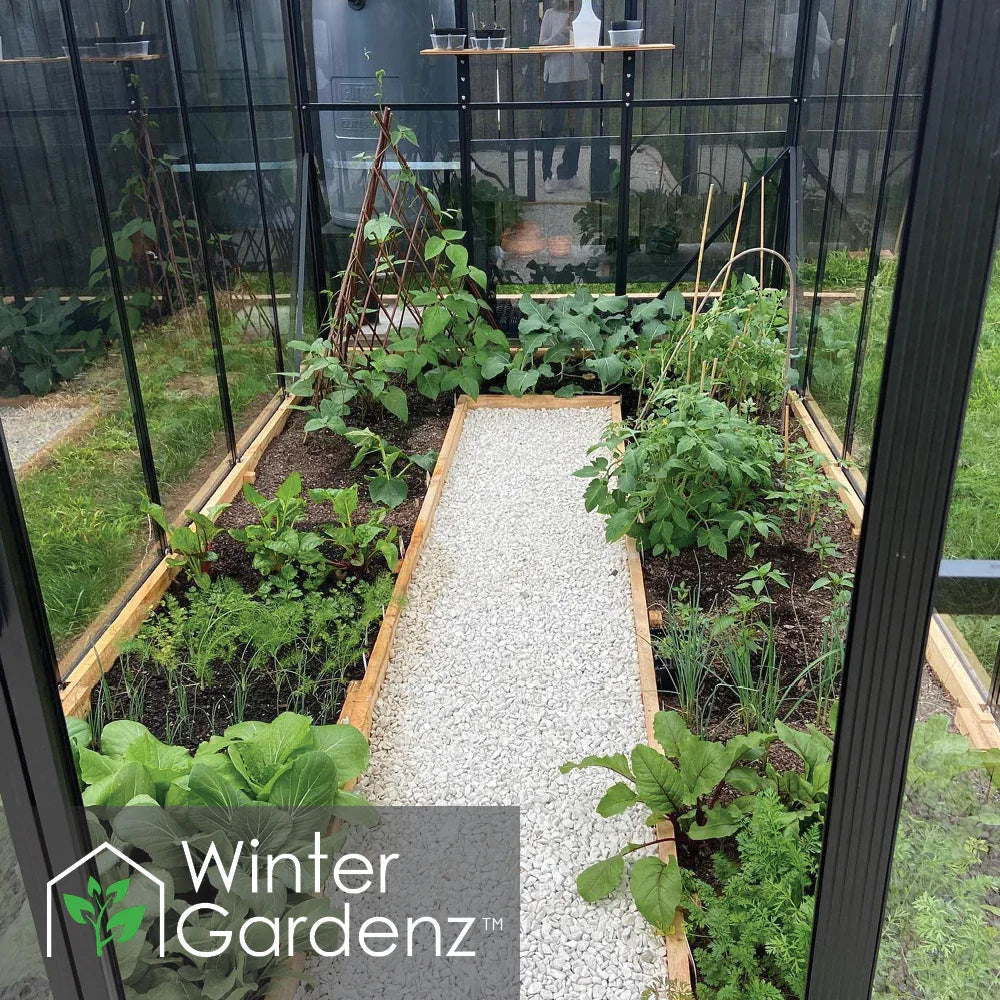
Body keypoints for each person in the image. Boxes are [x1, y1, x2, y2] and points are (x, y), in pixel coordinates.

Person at [538, 0, 589, 194]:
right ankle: (547, 175)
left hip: (579, 78)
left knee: (575, 128)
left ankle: (569, 172)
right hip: (556, 80)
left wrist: (583, 40)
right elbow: (542, 48)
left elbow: (590, 53)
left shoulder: (581, 16)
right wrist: (562, 35)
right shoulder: (551, 15)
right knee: (552, 127)